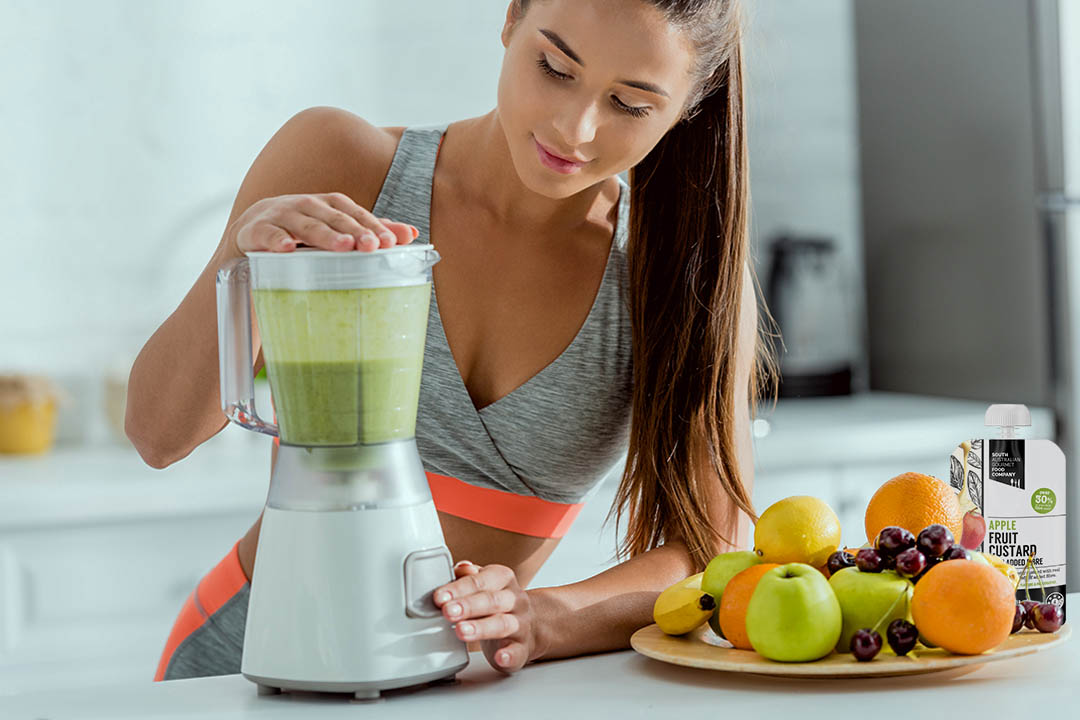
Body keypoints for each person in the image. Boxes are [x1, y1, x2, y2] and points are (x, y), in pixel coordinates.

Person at [127, 0, 777, 681]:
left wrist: (541, 616)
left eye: (631, 104)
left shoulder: (676, 275)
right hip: (242, 662)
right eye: (554, 68)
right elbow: (158, 435)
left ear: (685, 108)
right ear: (511, 19)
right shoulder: (345, 162)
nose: (575, 127)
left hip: (460, 687)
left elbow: (712, 556)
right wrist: (246, 259)